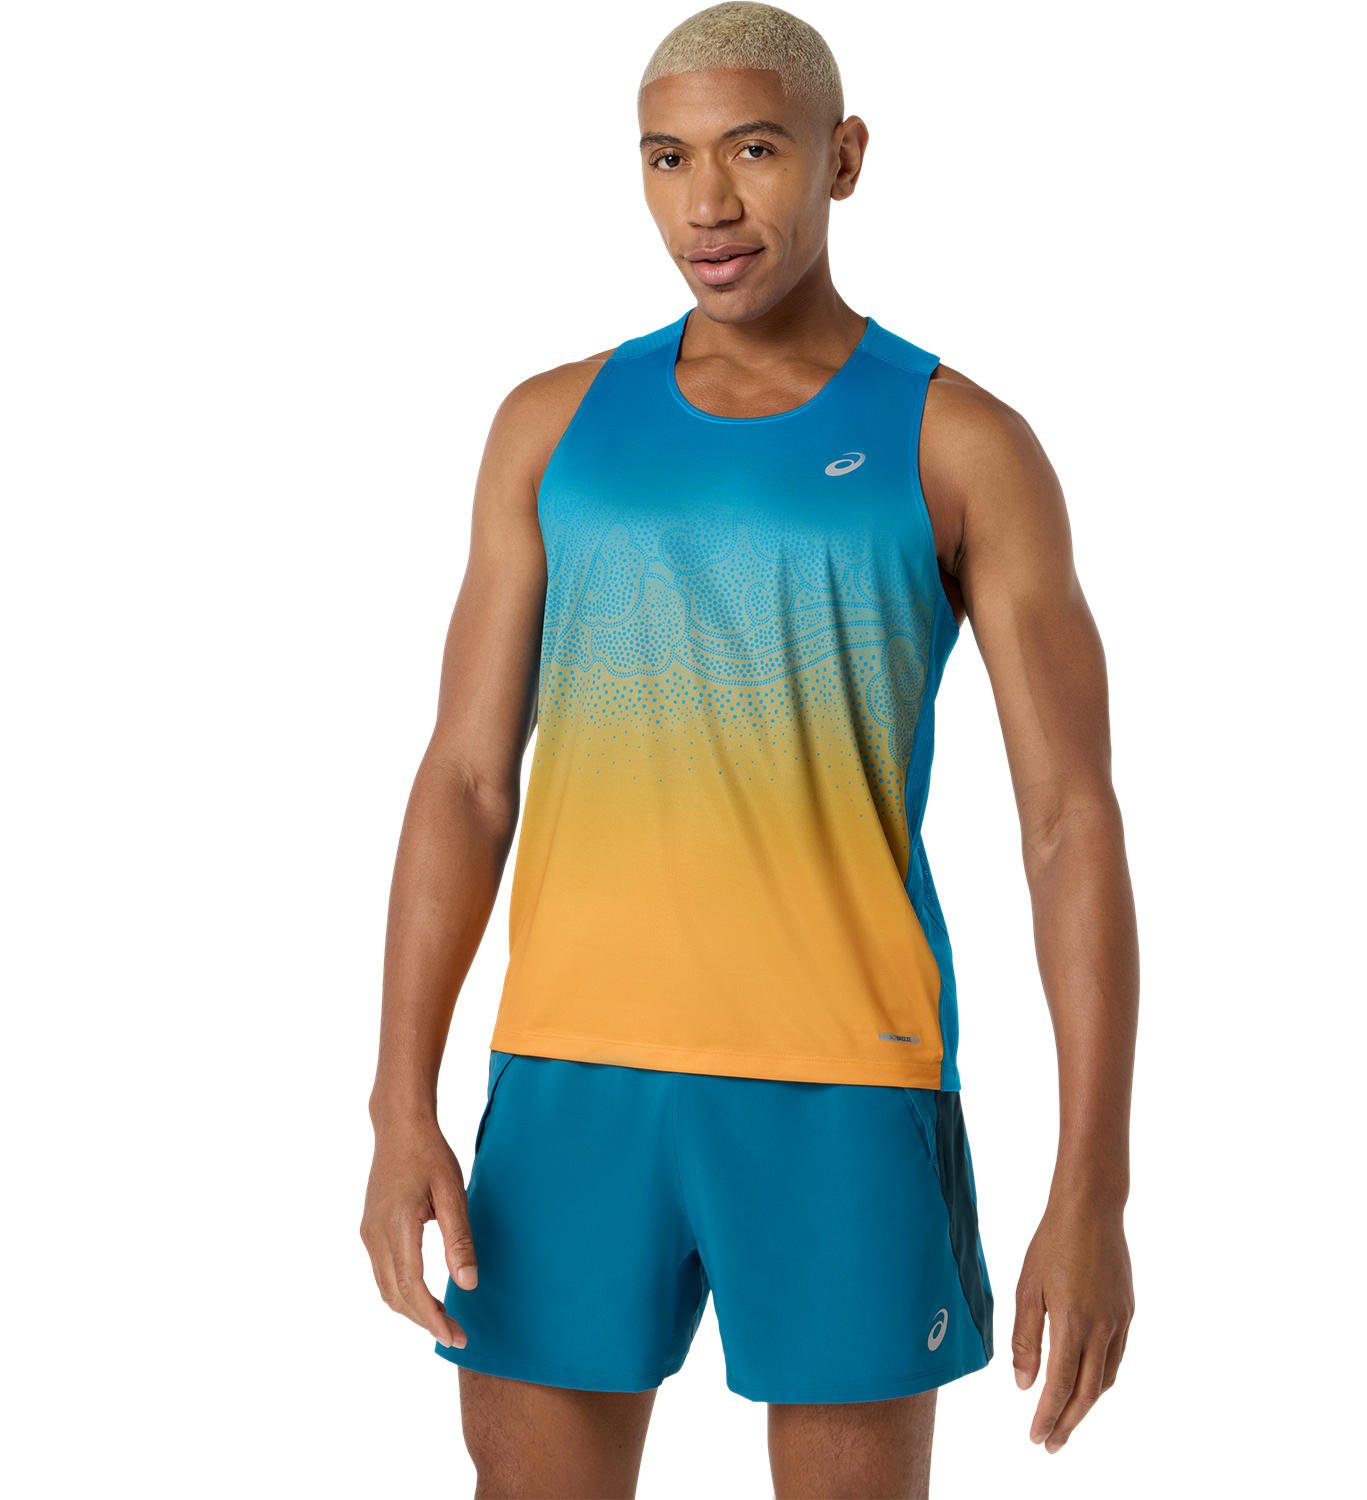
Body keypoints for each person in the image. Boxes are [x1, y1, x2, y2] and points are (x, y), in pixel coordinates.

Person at [360, 3, 1139, 1494]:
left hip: (845, 1078)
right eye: (667, 159)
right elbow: (464, 778)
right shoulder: (551, 426)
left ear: (844, 158)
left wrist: (1091, 1188)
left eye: (754, 151)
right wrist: (401, 1103)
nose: (706, 204)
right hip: (571, 1075)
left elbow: (1070, 823)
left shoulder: (960, 445)